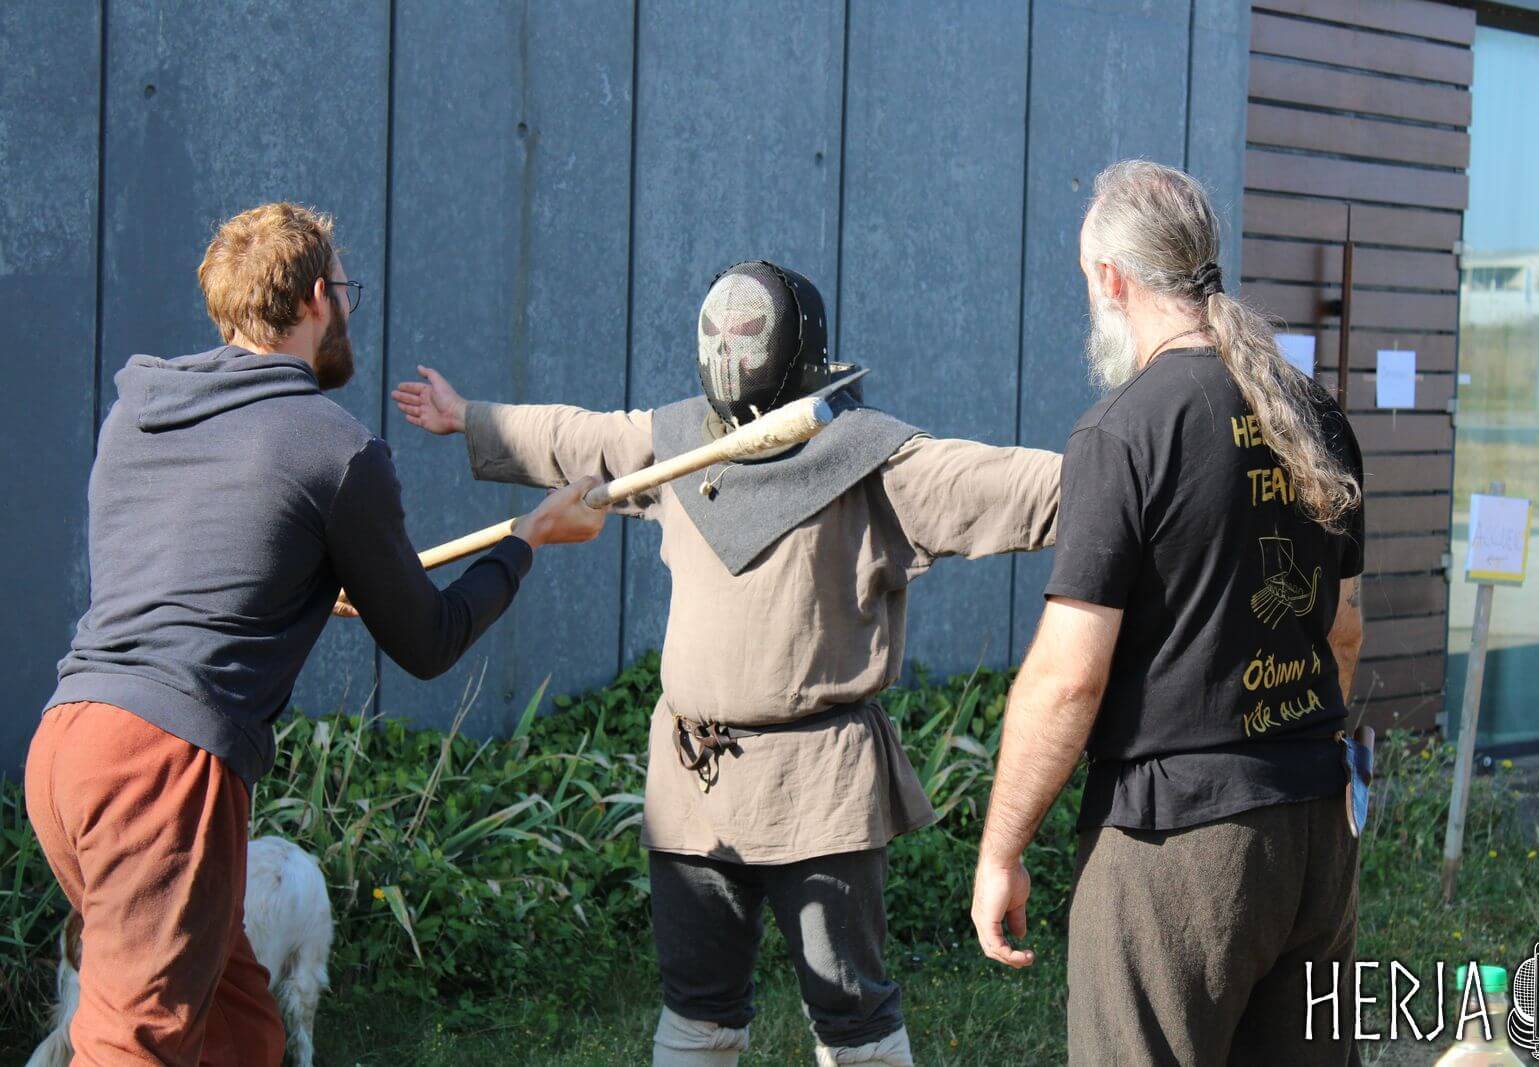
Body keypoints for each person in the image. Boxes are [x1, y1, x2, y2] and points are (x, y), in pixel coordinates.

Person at [392, 260, 1061, 1067]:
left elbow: (1001, 483)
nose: (730, 350)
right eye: (720, 334)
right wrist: (470, 418)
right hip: (694, 781)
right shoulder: (678, 448)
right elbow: (582, 438)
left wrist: (1138, 476)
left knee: (852, 1015)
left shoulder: (874, 462)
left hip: (818, 788)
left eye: (748, 334)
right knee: (698, 1010)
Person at [25, 202, 606, 1066]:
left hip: (69, 745)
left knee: (239, 1029)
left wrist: (306, 584)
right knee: (133, 1044)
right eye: (345, 290)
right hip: (164, 767)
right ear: (314, 300)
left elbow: (197, 568)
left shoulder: (140, 413)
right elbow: (429, 639)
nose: (346, 310)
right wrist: (528, 539)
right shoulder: (334, 448)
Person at [970, 161, 1367, 1065]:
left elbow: (1069, 679)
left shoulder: (1124, 430)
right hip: (1315, 823)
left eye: (1087, 279)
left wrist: (1000, 852)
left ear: (1112, 279)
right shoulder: (1315, 414)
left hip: (1175, 842)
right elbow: (1343, 631)